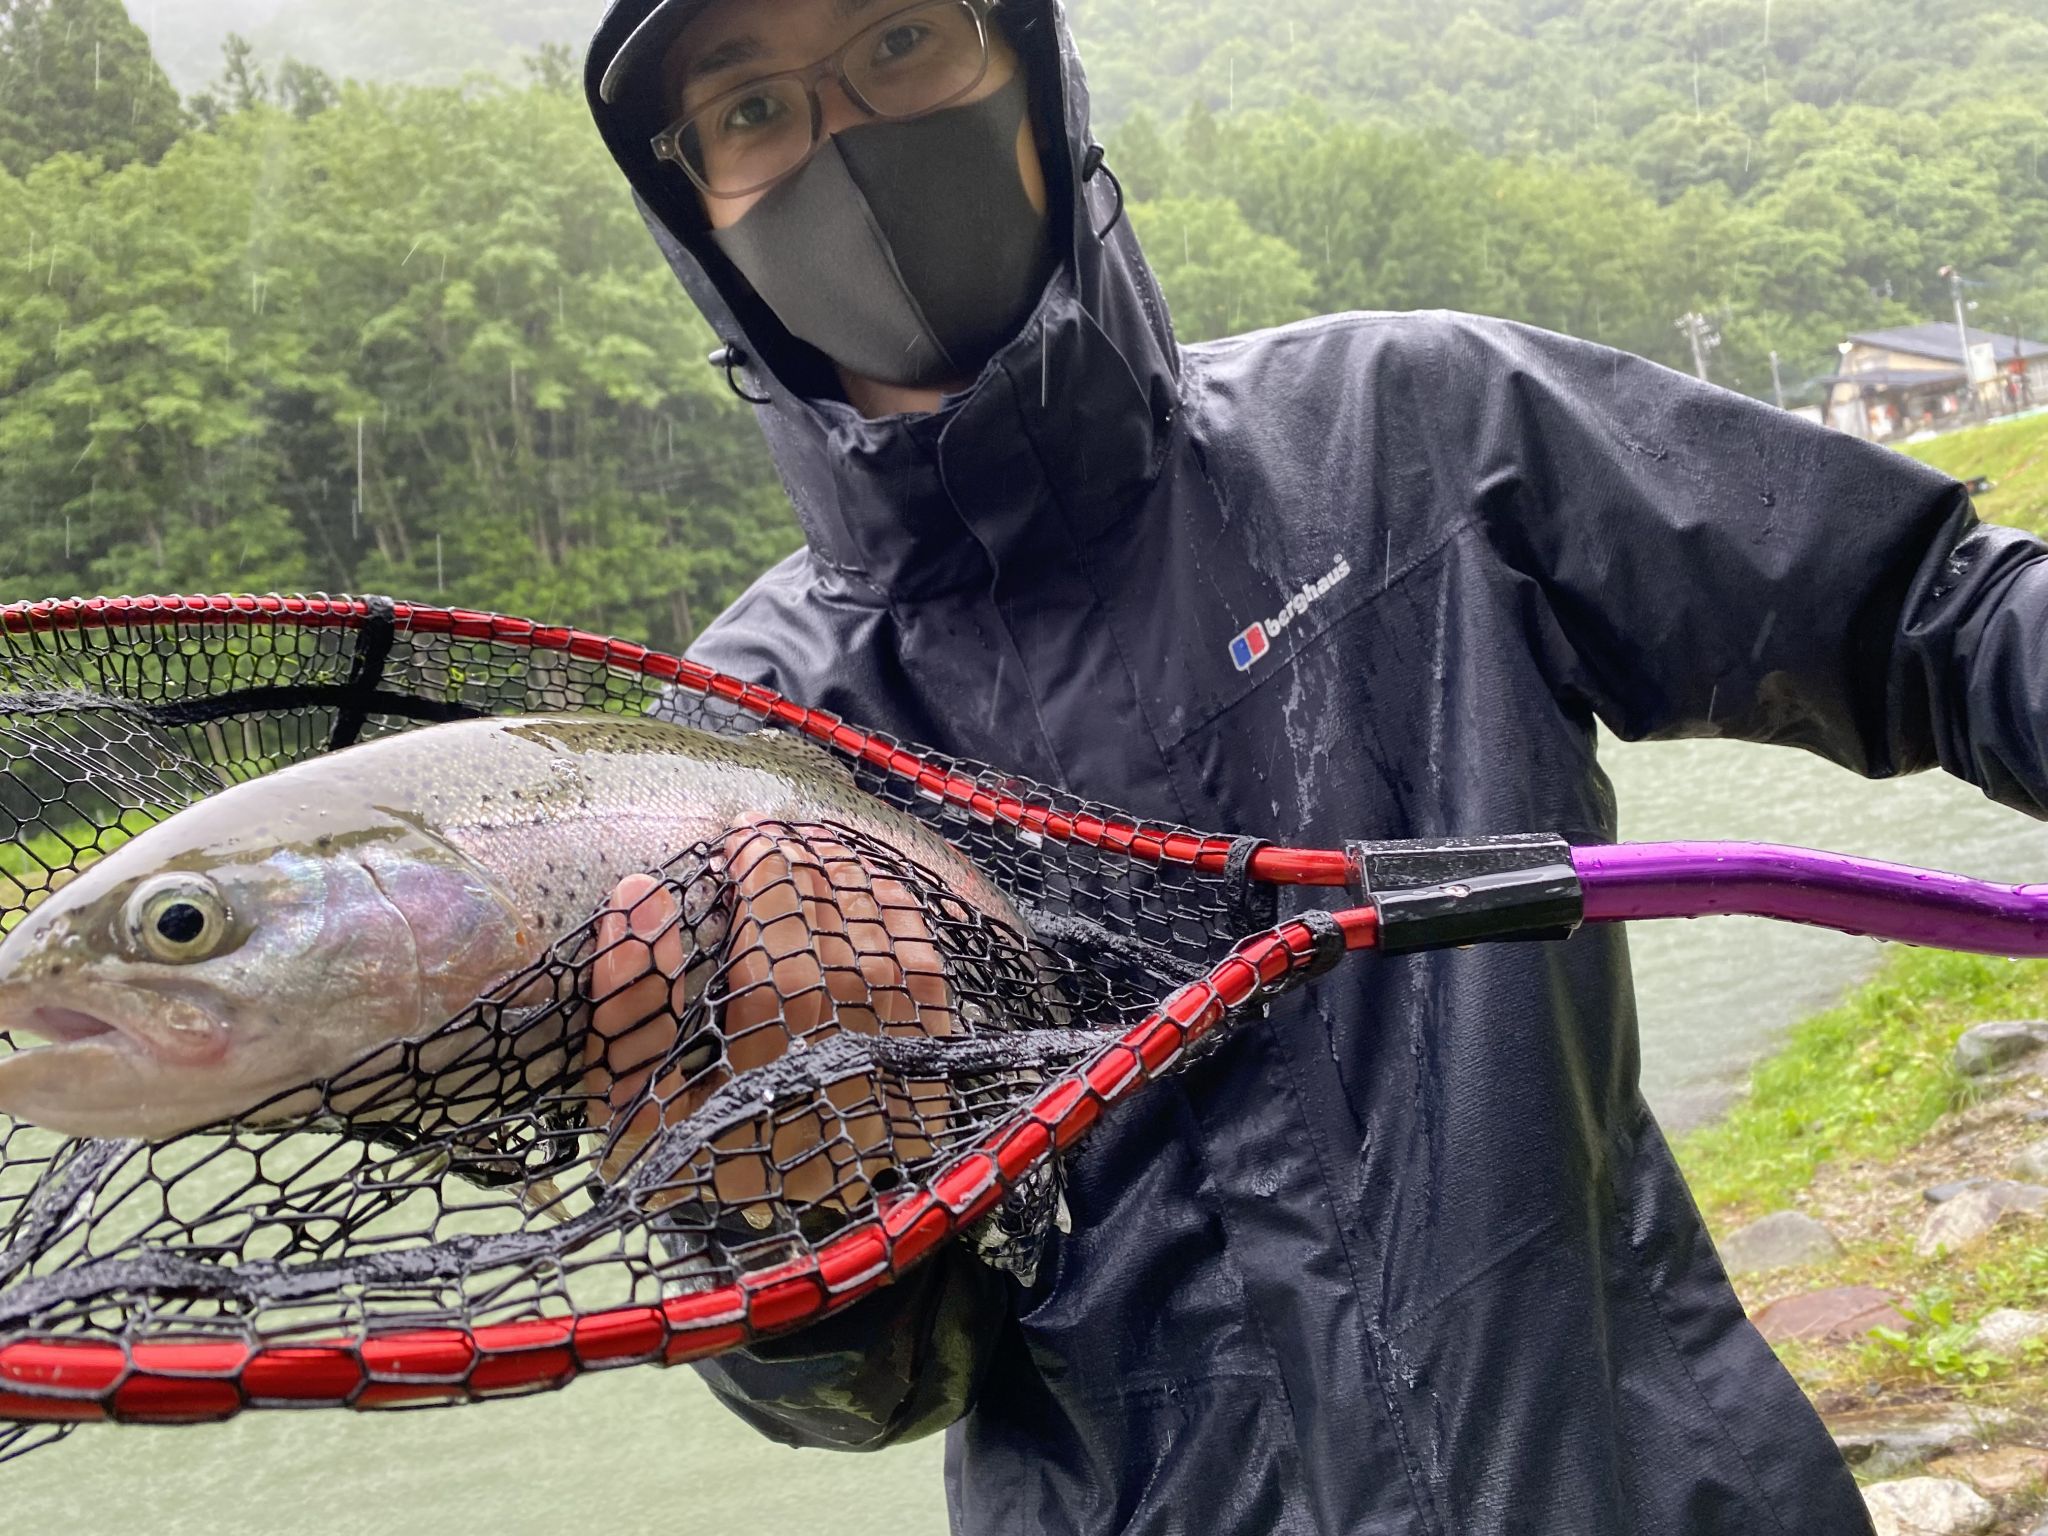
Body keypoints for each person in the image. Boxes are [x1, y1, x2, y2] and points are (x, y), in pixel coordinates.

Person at [581, 1, 2048, 1531]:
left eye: (900, 43)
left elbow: (1933, 615)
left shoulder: (1420, 428)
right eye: (750, 112)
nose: (847, 147)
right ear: (699, 210)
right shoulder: (741, 751)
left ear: (1026, 67)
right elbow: (876, 1389)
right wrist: (775, 1222)